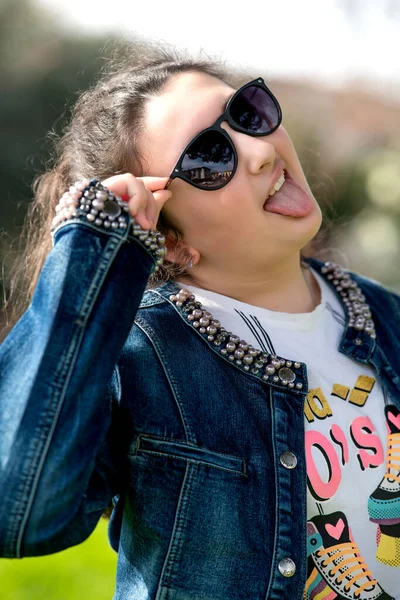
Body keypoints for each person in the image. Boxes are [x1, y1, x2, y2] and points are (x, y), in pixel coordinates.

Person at [1, 40, 399, 600]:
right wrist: (90, 244)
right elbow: (19, 511)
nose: (259, 151)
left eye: (247, 114)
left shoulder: (386, 314)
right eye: (211, 158)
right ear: (171, 237)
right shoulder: (140, 355)